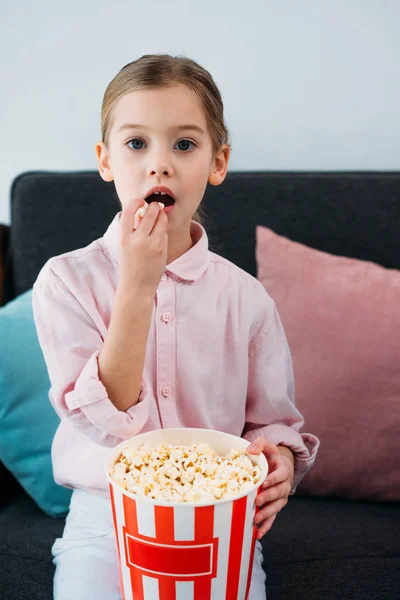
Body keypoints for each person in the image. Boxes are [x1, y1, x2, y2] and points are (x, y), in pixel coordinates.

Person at [32, 54, 320, 600]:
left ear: (218, 161)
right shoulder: (65, 282)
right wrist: (137, 288)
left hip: (218, 512)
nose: (159, 165)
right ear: (106, 160)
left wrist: (278, 458)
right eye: (136, 143)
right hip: (104, 516)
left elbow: (272, 421)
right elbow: (104, 417)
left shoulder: (245, 298)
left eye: (184, 145)